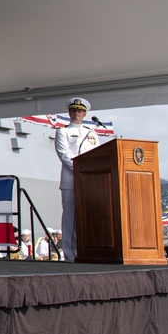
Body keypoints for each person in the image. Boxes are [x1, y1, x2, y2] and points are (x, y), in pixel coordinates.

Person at [54, 96, 99, 262]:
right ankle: (70, 254)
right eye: (73, 110)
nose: (76, 113)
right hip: (70, 181)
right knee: (70, 219)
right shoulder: (63, 131)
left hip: (89, 182)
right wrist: (82, 169)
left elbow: (97, 154)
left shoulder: (91, 133)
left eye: (79, 111)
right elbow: (65, 155)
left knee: (87, 217)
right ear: (69, 112)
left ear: (85, 114)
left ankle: (86, 250)